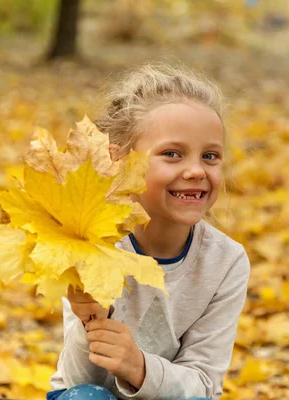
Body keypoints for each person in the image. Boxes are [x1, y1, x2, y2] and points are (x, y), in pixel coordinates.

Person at [46, 62, 251, 400]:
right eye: (172, 154)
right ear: (119, 162)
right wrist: (93, 319)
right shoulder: (91, 246)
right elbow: (76, 382)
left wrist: (139, 367)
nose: (196, 170)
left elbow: (204, 386)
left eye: (210, 156)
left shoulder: (226, 262)